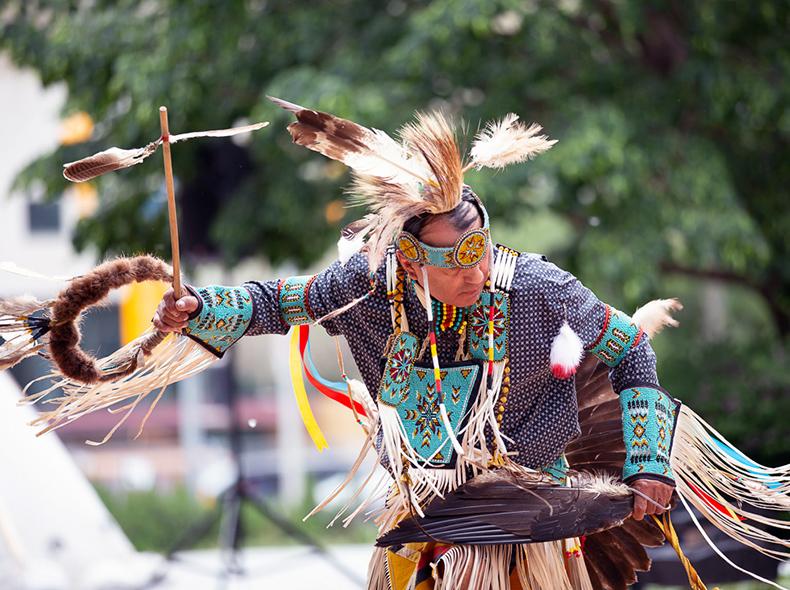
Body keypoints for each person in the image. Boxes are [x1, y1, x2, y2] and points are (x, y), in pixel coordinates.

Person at [151, 100, 787, 590]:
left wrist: (647, 462)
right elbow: (276, 303)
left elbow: (630, 351)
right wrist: (199, 307)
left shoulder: (537, 289)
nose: (476, 275)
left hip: (532, 506)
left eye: (481, 254)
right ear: (409, 258)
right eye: (455, 263)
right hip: (424, 506)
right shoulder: (367, 287)